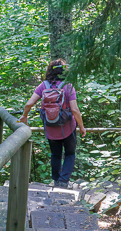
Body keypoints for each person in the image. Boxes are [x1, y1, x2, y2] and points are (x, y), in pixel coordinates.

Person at [20, 58, 86, 187]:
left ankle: (56, 180)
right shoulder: (68, 86)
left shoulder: (43, 86)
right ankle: (63, 181)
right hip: (68, 128)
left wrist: (24, 116)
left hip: (50, 127)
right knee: (70, 153)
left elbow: (29, 103)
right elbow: (75, 110)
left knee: (55, 154)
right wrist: (82, 127)